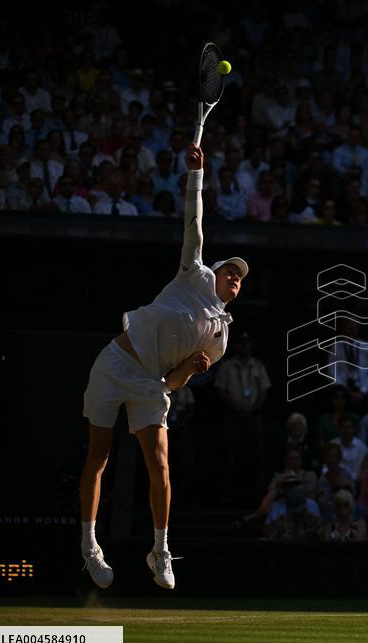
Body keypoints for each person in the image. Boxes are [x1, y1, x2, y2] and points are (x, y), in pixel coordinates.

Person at [80, 143, 248, 589]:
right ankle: (90, 546)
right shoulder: (193, 274)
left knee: (160, 466)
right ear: (214, 273)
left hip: (151, 383)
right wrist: (197, 174)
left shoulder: (221, 338)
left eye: (240, 277)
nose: (235, 277)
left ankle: (160, 550)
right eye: (230, 271)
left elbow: (173, 383)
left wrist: (190, 371)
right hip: (115, 362)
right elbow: (193, 221)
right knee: (98, 457)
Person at [215, 331, 272, 506]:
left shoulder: (258, 366)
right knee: (230, 454)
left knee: (257, 454)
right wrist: (236, 407)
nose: (244, 346)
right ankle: (227, 495)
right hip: (232, 415)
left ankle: (257, 494)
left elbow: (264, 390)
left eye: (247, 342)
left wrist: (253, 408)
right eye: (241, 342)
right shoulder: (227, 366)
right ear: (236, 345)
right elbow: (221, 390)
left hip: (254, 416)